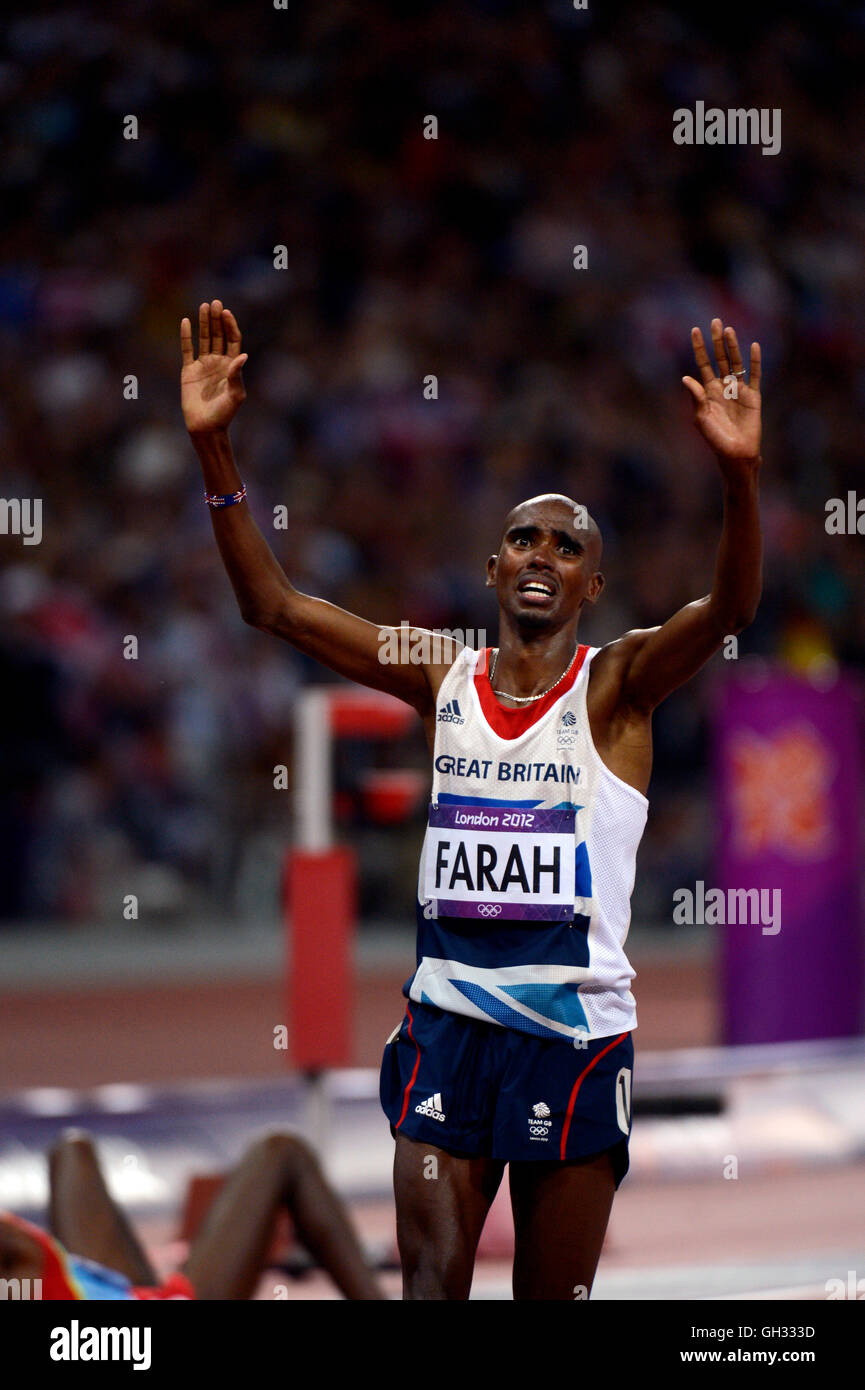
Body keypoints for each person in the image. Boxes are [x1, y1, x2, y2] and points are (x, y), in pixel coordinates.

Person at [180, 303, 762, 1299]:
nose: (541, 553)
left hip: (571, 1040)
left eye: (565, 546)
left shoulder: (616, 684)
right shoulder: (439, 671)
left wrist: (738, 477)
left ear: (591, 582)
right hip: (446, 1026)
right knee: (433, 1278)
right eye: (522, 540)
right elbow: (270, 606)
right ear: (492, 569)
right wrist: (217, 449)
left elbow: (731, 611)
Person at [0, 1129, 383, 1299]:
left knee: (71, 1150)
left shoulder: (21, 1262)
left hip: (122, 1292)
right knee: (282, 1151)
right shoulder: (19, 1259)